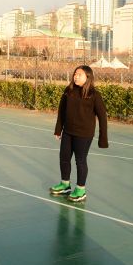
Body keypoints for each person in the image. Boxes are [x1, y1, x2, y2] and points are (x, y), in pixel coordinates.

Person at [50, 64, 108, 203]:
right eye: (75, 74)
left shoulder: (94, 94)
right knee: (64, 158)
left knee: (80, 161)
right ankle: (65, 185)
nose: (76, 76)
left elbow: (102, 116)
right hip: (68, 131)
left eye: (79, 74)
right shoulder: (68, 90)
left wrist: (103, 138)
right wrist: (58, 129)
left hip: (84, 134)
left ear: (87, 77)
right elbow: (61, 111)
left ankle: (81, 190)